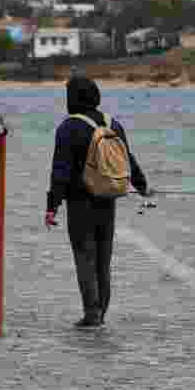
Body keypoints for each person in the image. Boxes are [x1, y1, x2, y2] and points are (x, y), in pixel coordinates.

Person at [45, 74, 151, 328]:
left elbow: (60, 171)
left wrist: (52, 206)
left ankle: (91, 313)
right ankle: (101, 312)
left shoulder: (68, 127)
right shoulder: (113, 123)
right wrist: (142, 186)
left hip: (80, 204)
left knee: (85, 257)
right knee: (104, 260)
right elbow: (127, 159)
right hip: (107, 199)